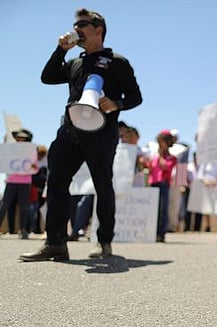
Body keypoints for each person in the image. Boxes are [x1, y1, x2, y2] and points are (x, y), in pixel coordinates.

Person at [19, 8, 142, 261]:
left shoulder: (117, 61)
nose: (77, 30)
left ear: (99, 30)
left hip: (101, 131)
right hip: (70, 131)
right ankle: (55, 243)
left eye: (82, 25)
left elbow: (135, 97)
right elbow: (47, 77)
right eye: (75, 26)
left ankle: (104, 241)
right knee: (56, 182)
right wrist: (61, 50)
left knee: (102, 185)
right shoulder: (75, 62)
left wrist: (116, 104)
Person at [0, 129, 37, 240]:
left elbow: (35, 168)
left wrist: (33, 167)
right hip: (11, 181)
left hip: (25, 182)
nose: (20, 140)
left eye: (23, 138)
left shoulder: (31, 151)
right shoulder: (11, 151)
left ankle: (22, 229)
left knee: (23, 206)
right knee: (4, 205)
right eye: (18, 138)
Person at [147, 130, 177, 243]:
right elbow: (150, 167)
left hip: (164, 183)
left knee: (162, 209)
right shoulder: (153, 156)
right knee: (153, 209)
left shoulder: (172, 158)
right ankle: (151, 232)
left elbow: (164, 166)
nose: (160, 144)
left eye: (162, 142)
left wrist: (160, 155)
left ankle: (160, 234)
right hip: (153, 182)